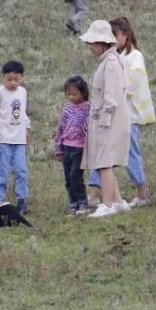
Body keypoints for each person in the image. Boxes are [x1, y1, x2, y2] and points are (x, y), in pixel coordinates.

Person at [88, 16, 156, 207]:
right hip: (115, 112)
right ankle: (95, 191)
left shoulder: (135, 57)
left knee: (129, 152)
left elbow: (129, 86)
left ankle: (141, 190)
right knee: (102, 152)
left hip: (129, 113)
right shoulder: (113, 57)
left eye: (115, 35)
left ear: (125, 35)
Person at [79, 20, 132, 218]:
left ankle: (107, 204)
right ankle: (118, 201)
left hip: (108, 120)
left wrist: (104, 119)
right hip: (107, 119)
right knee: (104, 161)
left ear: (102, 42)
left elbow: (111, 97)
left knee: (104, 162)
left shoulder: (110, 64)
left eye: (93, 42)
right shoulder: (109, 61)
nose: (90, 46)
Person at [0, 61, 31, 213]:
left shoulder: (22, 92)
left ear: (22, 78)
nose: (12, 83)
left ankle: (21, 201)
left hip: (19, 140)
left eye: (16, 79)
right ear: (3, 78)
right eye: (9, 79)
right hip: (1, 139)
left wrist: (27, 128)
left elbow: (23, 113)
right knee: (1, 172)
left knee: (21, 171)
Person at [54, 75, 91, 216]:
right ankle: (73, 203)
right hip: (66, 148)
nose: (71, 97)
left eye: (74, 94)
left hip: (80, 148)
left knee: (76, 175)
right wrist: (58, 149)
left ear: (83, 93)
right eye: (68, 94)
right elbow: (60, 129)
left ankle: (82, 202)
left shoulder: (88, 108)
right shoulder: (67, 110)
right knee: (68, 178)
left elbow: (90, 128)